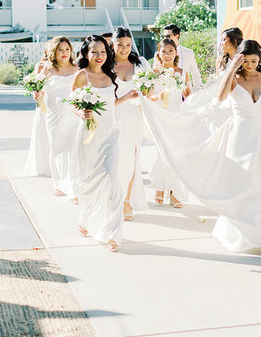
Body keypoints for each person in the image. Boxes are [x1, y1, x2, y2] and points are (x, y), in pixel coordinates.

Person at [139, 40, 261, 253]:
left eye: (254, 61)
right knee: (242, 184)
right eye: (246, 61)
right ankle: (242, 231)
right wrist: (231, 70)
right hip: (239, 137)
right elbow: (220, 97)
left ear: (259, 60)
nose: (250, 65)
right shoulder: (235, 79)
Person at [71, 35, 138, 252]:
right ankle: (86, 218)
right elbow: (71, 103)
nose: (99, 56)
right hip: (89, 136)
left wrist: (127, 98)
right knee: (89, 181)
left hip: (111, 134)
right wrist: (81, 112)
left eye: (102, 51)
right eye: (94, 52)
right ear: (85, 54)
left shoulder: (111, 75)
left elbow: (109, 105)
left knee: (111, 179)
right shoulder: (82, 75)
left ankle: (111, 234)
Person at [34, 37, 80, 199]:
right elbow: (40, 91)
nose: (64, 53)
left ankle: (74, 185)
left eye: (67, 49)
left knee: (73, 149)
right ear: (54, 52)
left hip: (74, 115)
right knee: (57, 148)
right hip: (54, 115)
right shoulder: (48, 69)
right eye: (60, 50)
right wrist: (37, 94)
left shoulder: (77, 68)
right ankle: (58, 182)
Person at [148, 37, 190, 208]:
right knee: (162, 152)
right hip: (160, 114)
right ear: (158, 53)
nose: (167, 54)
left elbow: (188, 96)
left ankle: (175, 191)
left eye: (170, 51)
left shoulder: (181, 72)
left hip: (176, 114)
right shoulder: (153, 74)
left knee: (176, 153)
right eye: (163, 51)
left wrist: (187, 93)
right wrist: (158, 96)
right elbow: (148, 96)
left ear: (176, 53)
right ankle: (160, 186)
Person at [112, 26, 149, 220]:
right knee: (115, 158)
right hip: (113, 117)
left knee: (131, 158)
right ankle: (113, 199)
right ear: (113, 44)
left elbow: (150, 90)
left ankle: (126, 200)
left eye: (127, 44)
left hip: (133, 117)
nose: (124, 48)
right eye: (120, 44)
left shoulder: (140, 64)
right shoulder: (106, 65)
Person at [22, 50, 52, 178]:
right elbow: (35, 83)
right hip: (43, 102)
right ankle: (42, 164)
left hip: (55, 101)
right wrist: (36, 92)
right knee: (42, 131)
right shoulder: (41, 65)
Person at [162, 24, 203, 90]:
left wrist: (199, 92)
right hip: (165, 94)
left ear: (177, 36)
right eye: (163, 36)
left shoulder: (188, 53)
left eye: (168, 36)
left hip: (184, 94)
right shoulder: (160, 54)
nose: (165, 39)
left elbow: (195, 74)